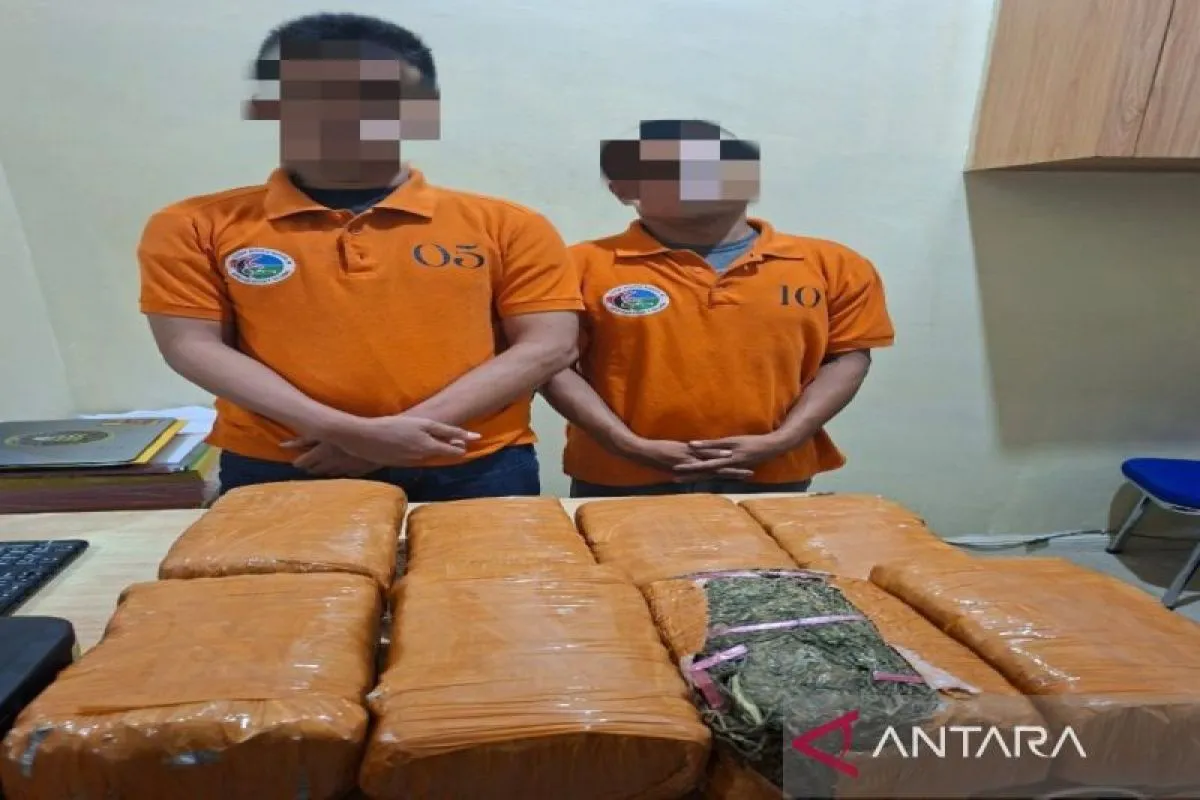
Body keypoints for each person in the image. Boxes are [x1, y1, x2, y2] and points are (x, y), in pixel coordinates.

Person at [138, 13, 581, 500]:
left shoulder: (509, 224)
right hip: (284, 462)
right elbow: (192, 345)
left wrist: (392, 438)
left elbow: (549, 345)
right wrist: (344, 431)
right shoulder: (192, 224)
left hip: (473, 463)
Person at [543, 119, 894, 498]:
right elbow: (550, 362)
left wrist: (785, 439)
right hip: (619, 474)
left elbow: (846, 358)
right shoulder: (575, 266)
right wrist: (627, 444)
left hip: (773, 471)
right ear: (624, 189)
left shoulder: (835, 265)